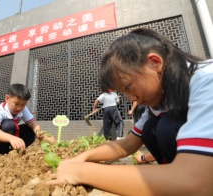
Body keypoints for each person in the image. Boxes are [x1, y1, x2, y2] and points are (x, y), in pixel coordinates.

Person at [46, 28, 213, 195]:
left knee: (166, 126)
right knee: (151, 128)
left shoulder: (207, 80)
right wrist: (82, 158)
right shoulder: (160, 102)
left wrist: (81, 173)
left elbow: (196, 180)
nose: (133, 99)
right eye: (124, 93)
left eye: (128, 87)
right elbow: (128, 144)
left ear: (154, 63)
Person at [0, 83, 55, 154]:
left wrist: (38, 132)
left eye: (23, 104)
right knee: (9, 125)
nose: (19, 108)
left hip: (9, 133)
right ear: (7, 98)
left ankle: (17, 149)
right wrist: (11, 138)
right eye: (16, 104)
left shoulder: (24, 109)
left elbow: (33, 123)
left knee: (30, 129)